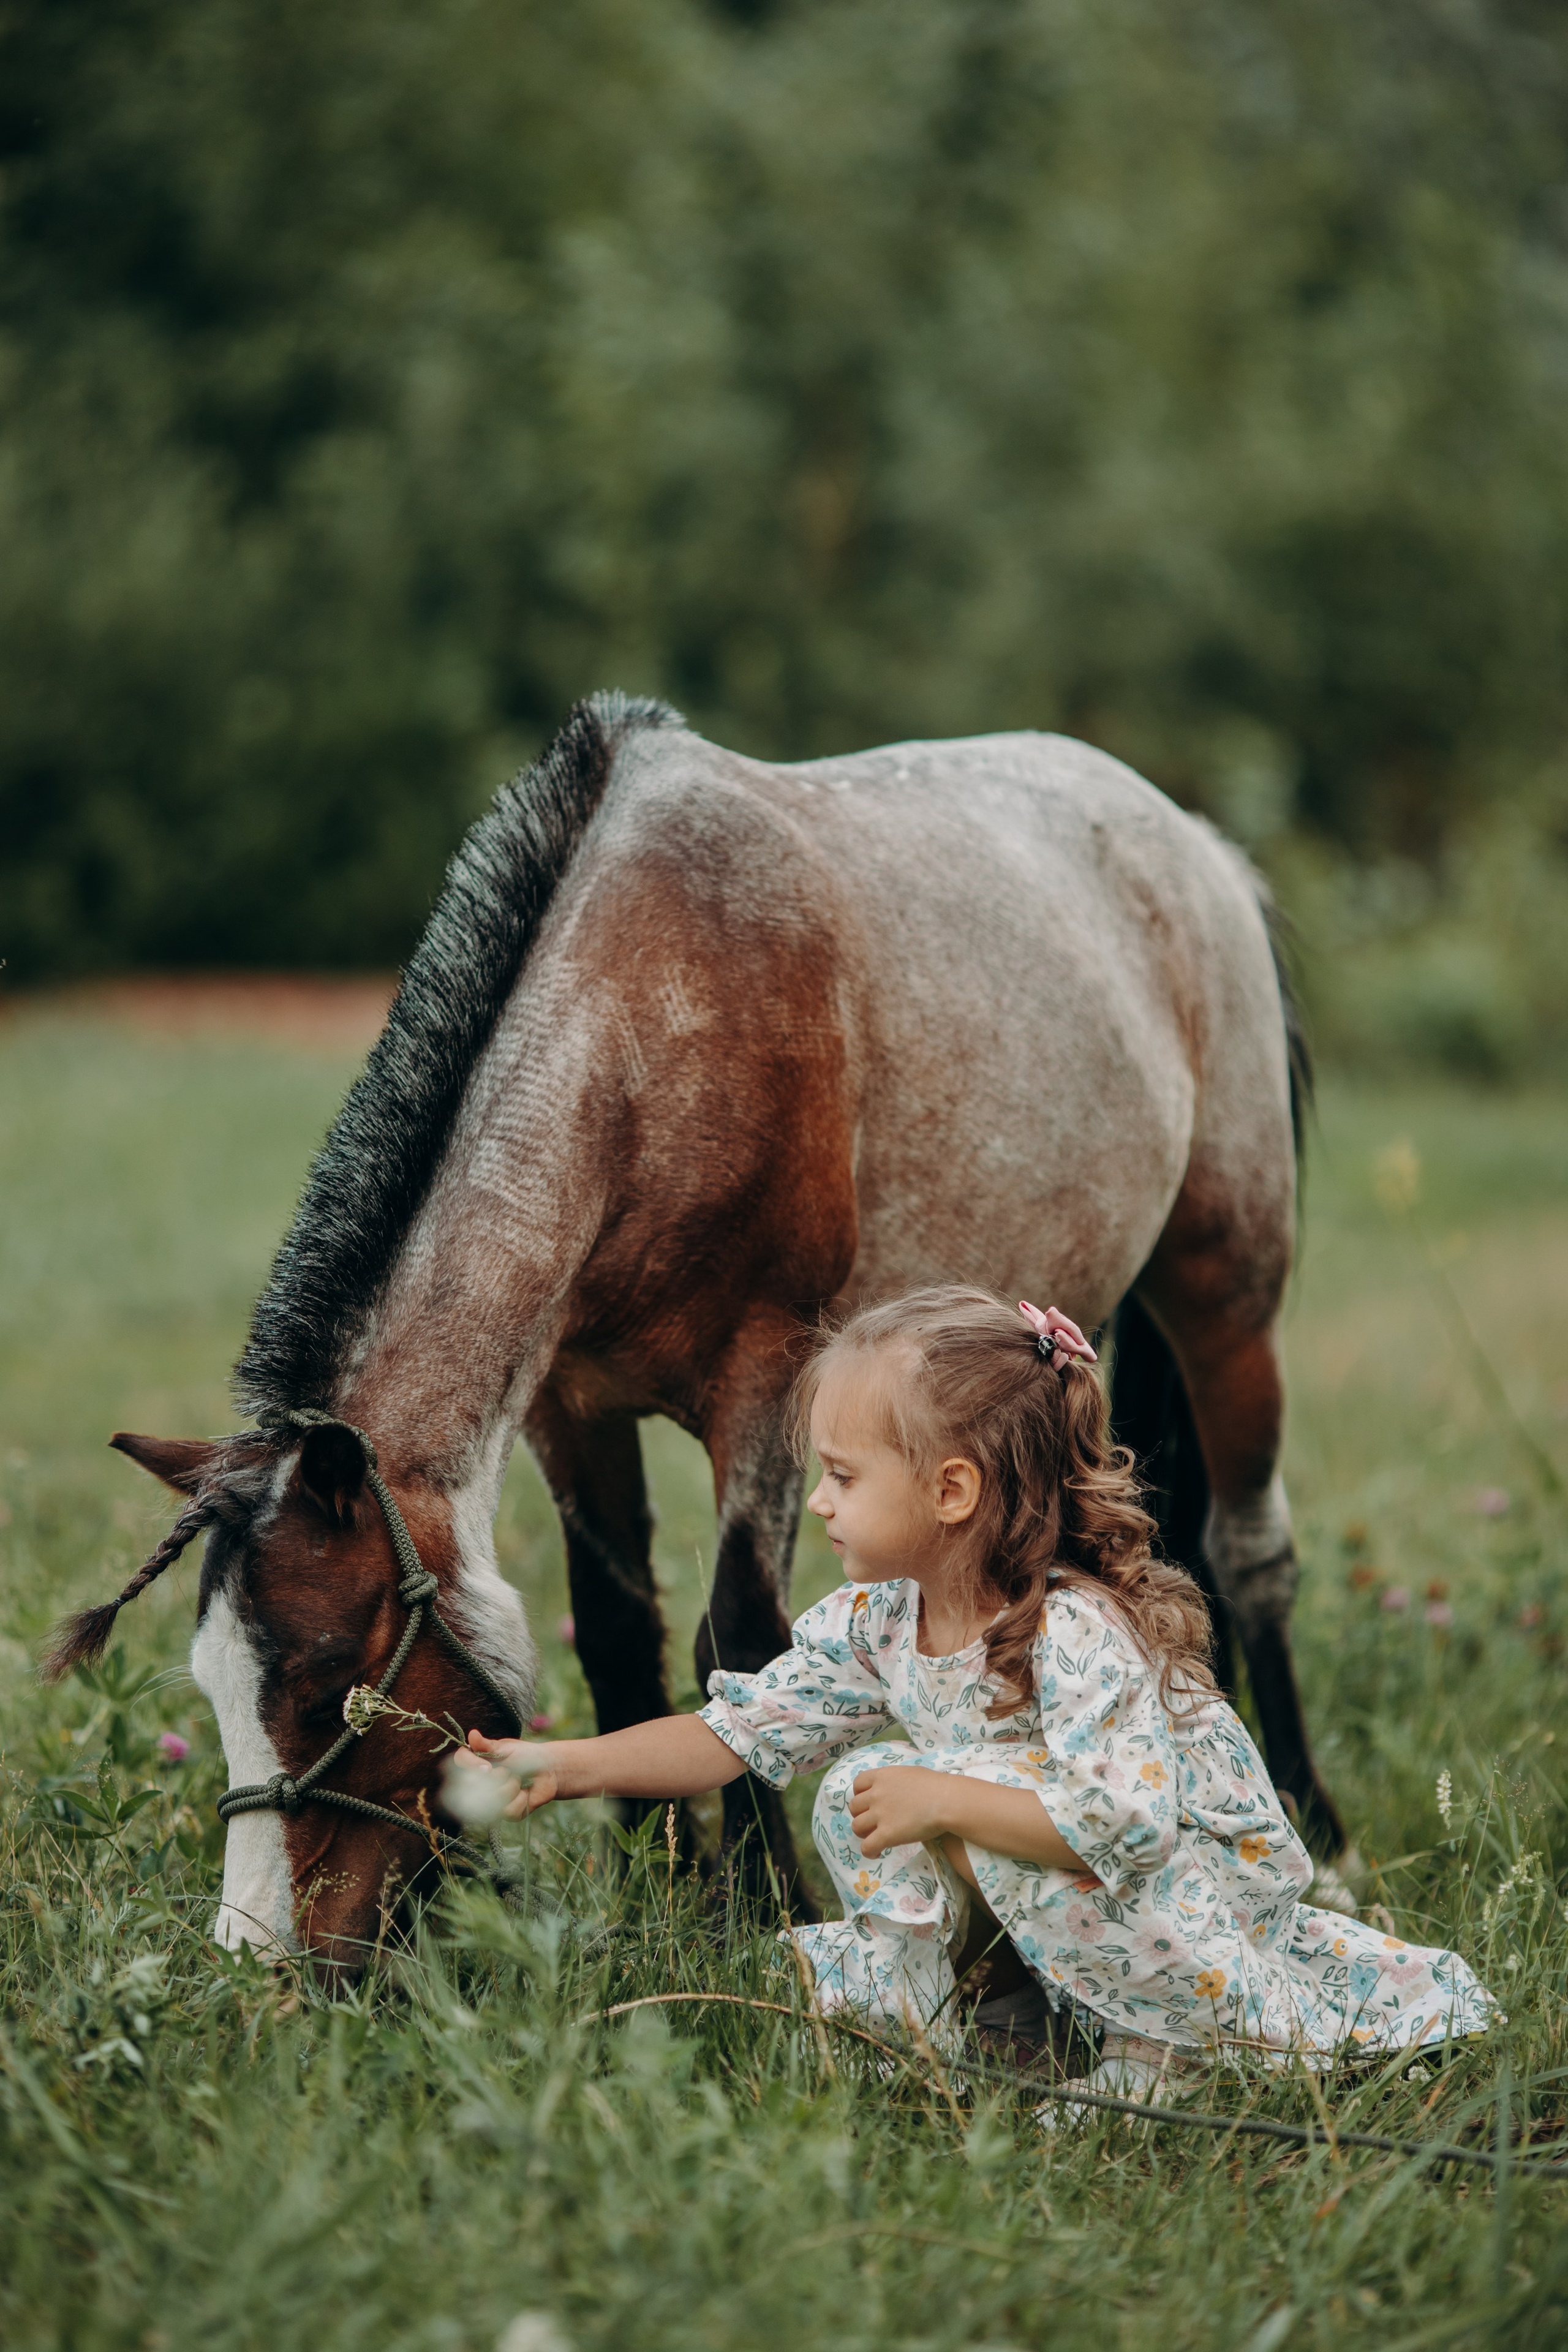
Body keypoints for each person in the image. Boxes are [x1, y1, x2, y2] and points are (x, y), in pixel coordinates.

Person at [460, 1286, 1494, 2097]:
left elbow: (1129, 1826)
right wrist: (567, 1764)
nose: (817, 1502)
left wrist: (945, 1799)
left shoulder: (1074, 1633)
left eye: (843, 1476)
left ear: (952, 1491)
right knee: (862, 1795)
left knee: (913, 1782)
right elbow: (743, 1730)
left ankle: (1159, 2050)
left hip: (1174, 1903)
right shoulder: (881, 1621)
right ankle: (990, 2016)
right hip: (1073, 1891)